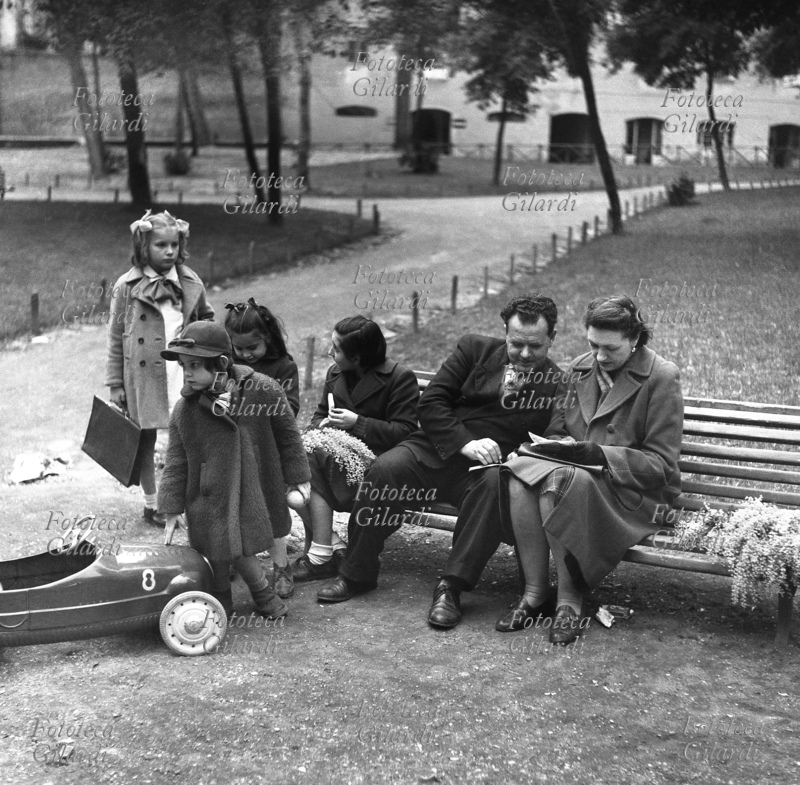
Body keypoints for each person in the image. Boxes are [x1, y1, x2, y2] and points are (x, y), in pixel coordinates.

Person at [316, 295, 564, 631]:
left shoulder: (558, 384)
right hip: (437, 448)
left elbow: (552, 438)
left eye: (535, 346)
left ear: (552, 338)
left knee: (493, 489)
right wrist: (466, 443)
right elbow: (431, 402)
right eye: (516, 343)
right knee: (385, 470)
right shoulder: (473, 349)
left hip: (487, 469)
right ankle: (357, 573)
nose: (523, 354)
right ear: (504, 332)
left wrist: (518, 453)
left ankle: (451, 587)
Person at [495, 295, 683, 645]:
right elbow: (556, 430)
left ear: (635, 340)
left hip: (631, 494)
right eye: (593, 344)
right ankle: (535, 593)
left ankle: (570, 601)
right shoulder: (581, 368)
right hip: (575, 475)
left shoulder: (661, 376)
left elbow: (661, 465)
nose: (599, 356)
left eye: (610, 348)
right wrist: (556, 445)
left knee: (561, 482)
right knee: (519, 474)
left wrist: (596, 453)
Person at [157, 321, 311, 619]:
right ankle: (221, 598)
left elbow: (288, 436)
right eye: (184, 365)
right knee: (214, 552)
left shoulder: (263, 390)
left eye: (194, 365)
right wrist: (171, 507)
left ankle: (263, 594)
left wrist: (298, 478)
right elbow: (176, 461)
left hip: (252, 489)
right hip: (207, 495)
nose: (186, 372)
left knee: (240, 550)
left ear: (222, 364)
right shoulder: (185, 409)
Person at [105, 209, 214, 527]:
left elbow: (206, 319)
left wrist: (202, 346)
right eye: (160, 245)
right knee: (145, 439)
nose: (169, 252)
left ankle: (189, 500)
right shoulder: (126, 286)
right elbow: (115, 336)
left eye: (174, 245)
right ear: (143, 247)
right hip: (144, 375)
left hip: (183, 371)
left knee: (190, 435)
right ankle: (153, 504)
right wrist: (115, 383)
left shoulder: (190, 282)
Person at [291, 315, 419, 583]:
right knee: (292, 458)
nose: (329, 352)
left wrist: (358, 423)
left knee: (306, 460)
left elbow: (405, 432)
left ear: (358, 358)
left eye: (336, 349)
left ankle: (322, 555)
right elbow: (319, 416)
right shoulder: (335, 372)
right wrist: (324, 424)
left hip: (376, 468)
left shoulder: (399, 378)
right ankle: (331, 547)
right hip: (333, 458)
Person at [224, 298, 301, 599]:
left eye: (251, 348)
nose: (245, 355)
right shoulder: (227, 366)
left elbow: (290, 409)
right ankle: (245, 563)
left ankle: (281, 566)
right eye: (238, 348)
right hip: (236, 448)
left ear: (267, 338)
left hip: (269, 449)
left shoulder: (283, 367)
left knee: (271, 507)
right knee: (239, 505)